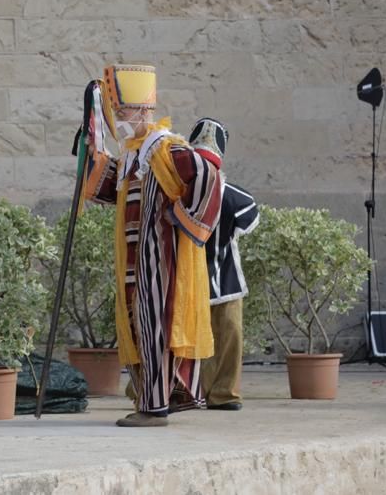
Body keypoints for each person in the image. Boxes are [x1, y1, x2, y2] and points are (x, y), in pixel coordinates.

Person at [81, 64, 222, 427]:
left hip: (161, 261)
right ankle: (156, 398)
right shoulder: (134, 153)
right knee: (140, 326)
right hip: (135, 261)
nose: (118, 118)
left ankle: (154, 407)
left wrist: (182, 215)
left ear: (142, 110)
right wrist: (90, 153)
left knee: (156, 326)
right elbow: (114, 190)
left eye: (121, 111)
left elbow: (207, 173)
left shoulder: (164, 148)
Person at [188, 117, 260, 411]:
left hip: (223, 277)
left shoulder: (234, 196)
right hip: (191, 279)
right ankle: (185, 392)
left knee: (228, 334)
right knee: (186, 339)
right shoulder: (177, 189)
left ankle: (223, 393)